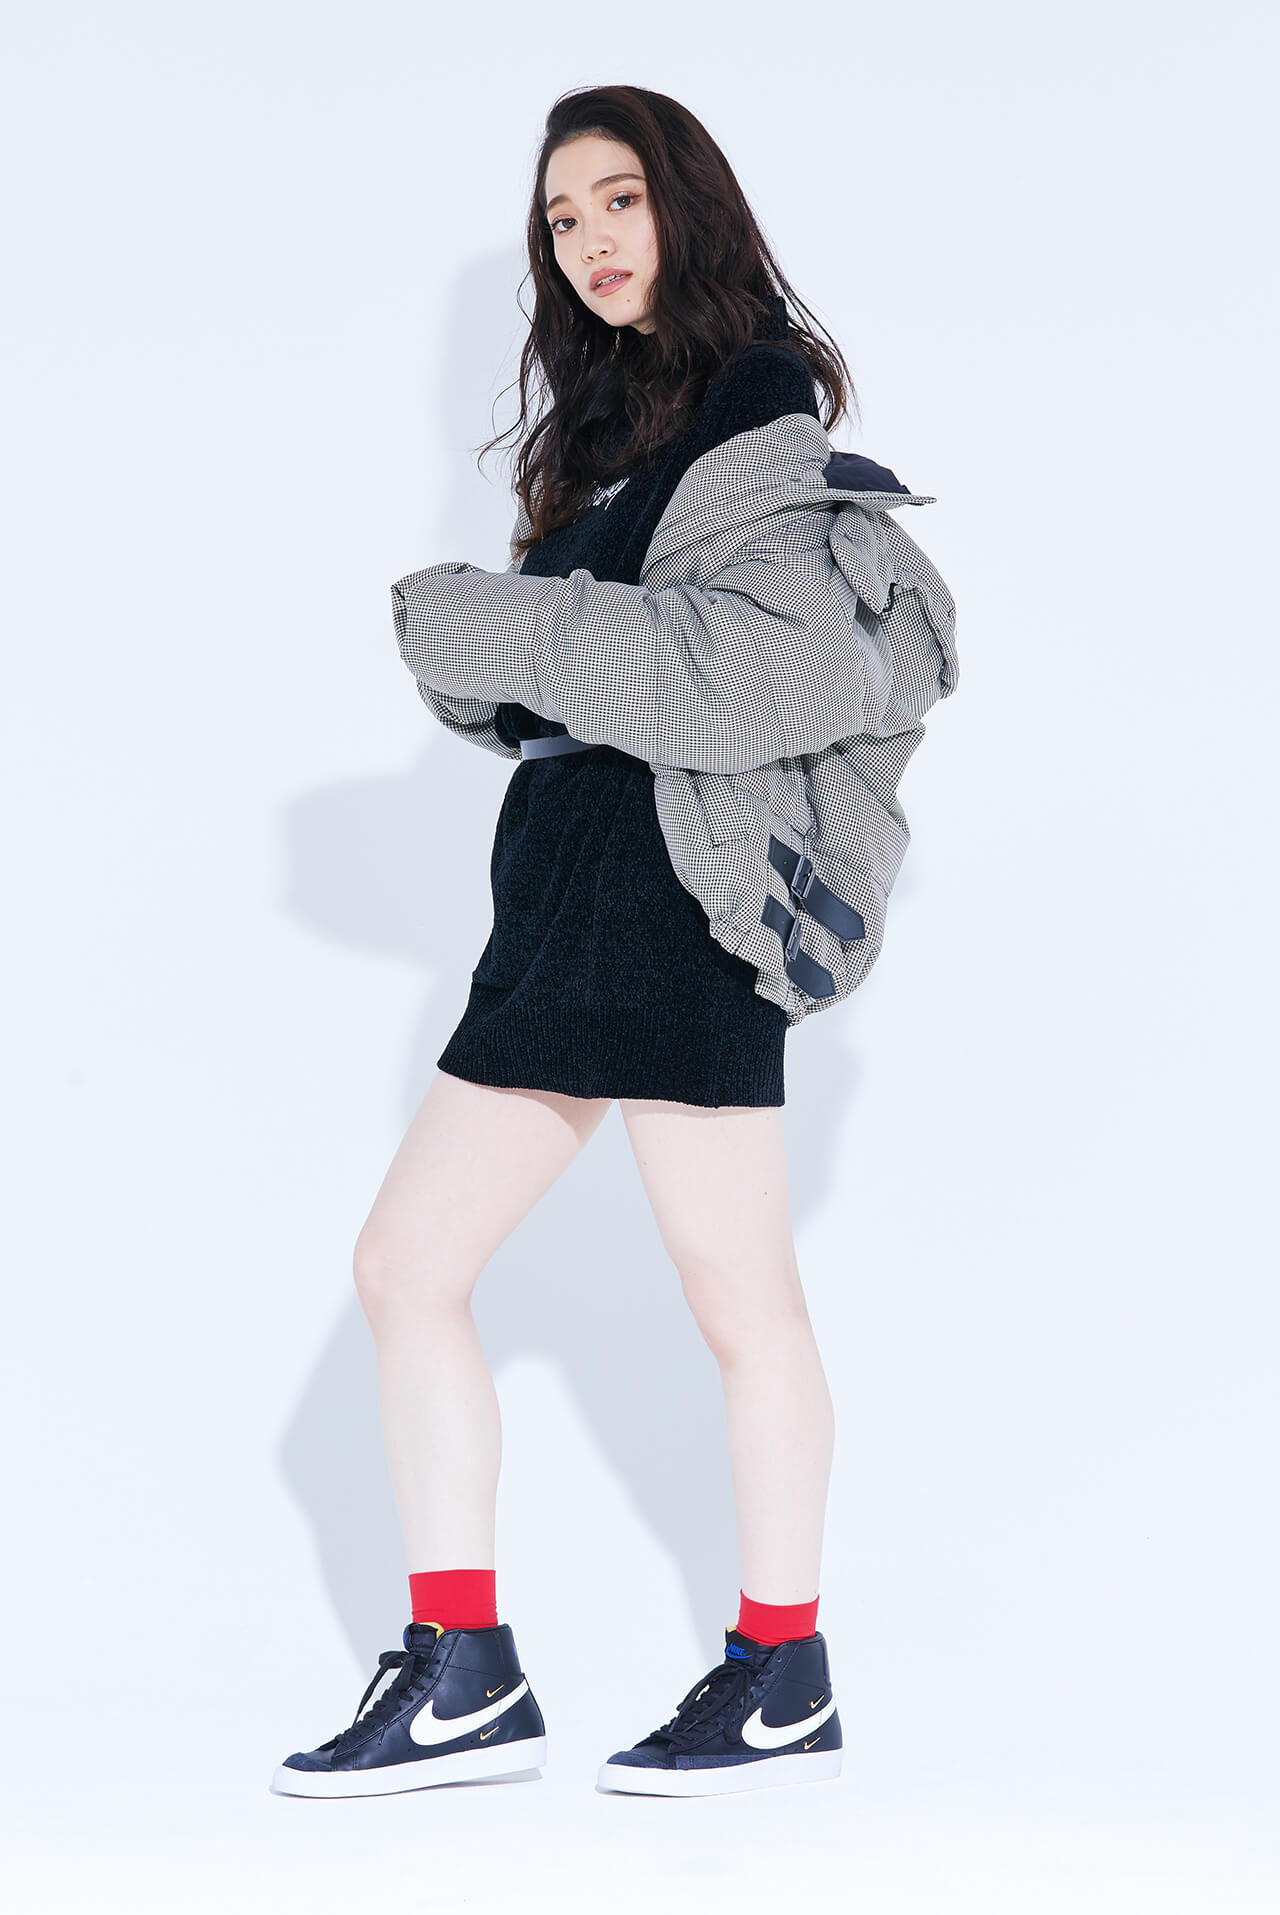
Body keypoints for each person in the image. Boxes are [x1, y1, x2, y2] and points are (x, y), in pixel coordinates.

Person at [273, 83, 870, 1801]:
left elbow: (738, 675)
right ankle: (464, 1668)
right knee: (408, 1265)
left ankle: (784, 1670)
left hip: (680, 899)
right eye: (561, 218)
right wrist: (518, 649)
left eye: (619, 199)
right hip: (558, 902)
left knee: (737, 1294)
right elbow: (558, 679)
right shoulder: (607, 435)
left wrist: (509, 633)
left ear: (688, 202)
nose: (592, 239)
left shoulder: (758, 407)